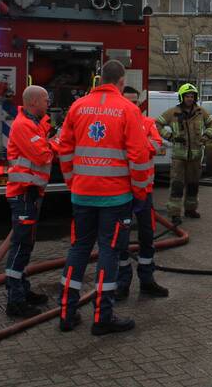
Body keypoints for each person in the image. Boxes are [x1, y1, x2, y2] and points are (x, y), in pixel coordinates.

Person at [56, 60, 150, 335]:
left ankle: (66, 313)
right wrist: (140, 190)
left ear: (100, 80)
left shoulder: (78, 106)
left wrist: (72, 181)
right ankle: (102, 316)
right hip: (115, 197)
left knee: (78, 249)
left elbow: (64, 148)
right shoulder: (127, 110)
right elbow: (139, 156)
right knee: (109, 251)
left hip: (82, 194)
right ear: (121, 82)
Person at [3, 85, 55, 318]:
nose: (48, 104)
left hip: (31, 193)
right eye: (45, 100)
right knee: (21, 246)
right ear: (33, 102)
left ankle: (22, 290)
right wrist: (57, 141)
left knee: (26, 245)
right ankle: (15, 300)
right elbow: (43, 155)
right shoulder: (24, 126)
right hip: (23, 194)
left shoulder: (33, 124)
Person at [115, 88, 169, 300]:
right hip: (123, 191)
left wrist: (136, 144)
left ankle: (147, 280)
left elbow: (156, 144)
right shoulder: (117, 123)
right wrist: (139, 145)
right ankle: (123, 283)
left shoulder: (148, 122)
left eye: (136, 101)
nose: (133, 105)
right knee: (121, 240)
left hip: (144, 190)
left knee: (147, 237)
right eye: (129, 101)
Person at [156, 83, 212, 226]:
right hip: (179, 157)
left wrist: (206, 136)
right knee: (177, 185)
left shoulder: (200, 112)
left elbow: (211, 123)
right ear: (182, 97)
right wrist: (169, 137)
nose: (189, 98)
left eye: (192, 96)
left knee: (193, 185)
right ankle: (175, 214)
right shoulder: (173, 112)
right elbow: (157, 124)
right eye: (187, 96)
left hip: (195, 157)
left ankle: (190, 209)